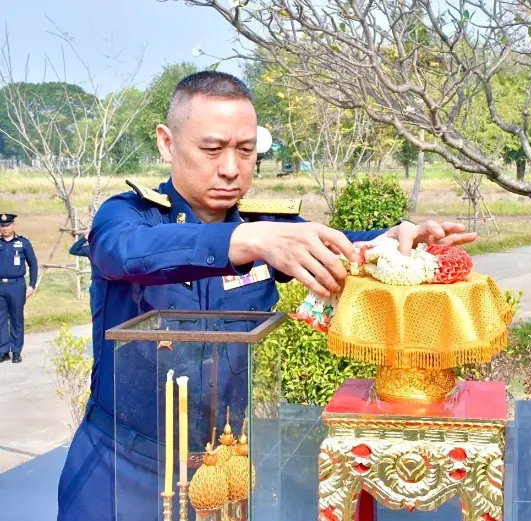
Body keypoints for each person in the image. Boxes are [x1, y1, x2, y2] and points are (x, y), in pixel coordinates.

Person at [56, 71, 477, 521]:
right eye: (212, 149)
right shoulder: (127, 216)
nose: (231, 168)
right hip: (121, 466)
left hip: (230, 467)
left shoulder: (269, 227)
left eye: (246, 150)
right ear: (166, 142)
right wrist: (247, 241)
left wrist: (388, 242)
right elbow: (124, 253)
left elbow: (339, 247)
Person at [0, 213, 37, 364]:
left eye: (7, 225)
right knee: (1, 319)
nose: (5, 228)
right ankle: (3, 351)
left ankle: (16, 351)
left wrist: (32, 285)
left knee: (16, 318)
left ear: (13, 225)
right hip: (0, 285)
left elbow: (33, 264)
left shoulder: (23, 243)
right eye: (2, 226)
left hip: (17, 285)